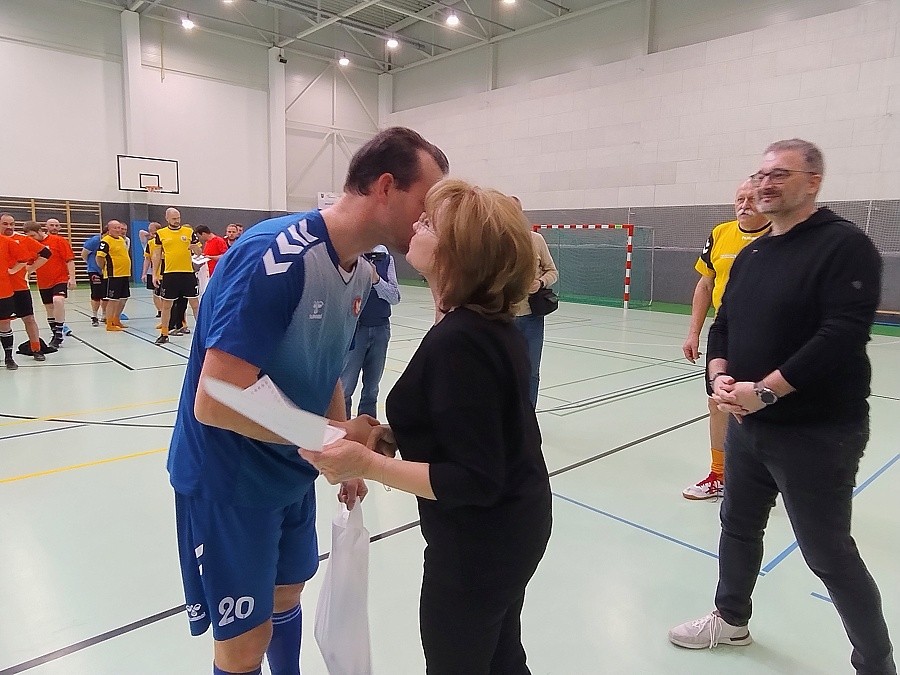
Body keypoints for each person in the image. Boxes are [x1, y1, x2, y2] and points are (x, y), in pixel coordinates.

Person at [166, 127, 448, 675]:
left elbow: (327, 371)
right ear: (386, 187)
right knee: (244, 644)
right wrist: (332, 437)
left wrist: (343, 456)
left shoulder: (360, 273)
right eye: (425, 200)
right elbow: (216, 398)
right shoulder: (275, 254)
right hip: (231, 479)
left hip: (290, 470)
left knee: (288, 594)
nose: (428, 218)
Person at [302, 180, 552, 675]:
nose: (416, 225)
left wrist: (366, 464)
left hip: (479, 544)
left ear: (458, 253)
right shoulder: (477, 326)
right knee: (501, 658)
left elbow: (475, 478)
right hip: (510, 529)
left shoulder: (463, 340)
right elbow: (469, 425)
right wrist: (389, 437)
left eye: (429, 223)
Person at [668, 139, 896, 675]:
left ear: (813, 182)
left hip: (818, 432)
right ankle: (731, 618)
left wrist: (767, 390)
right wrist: (719, 375)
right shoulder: (752, 254)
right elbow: (725, 322)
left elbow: (841, 333)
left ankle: (876, 662)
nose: (764, 184)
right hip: (749, 426)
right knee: (737, 525)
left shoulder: (844, 246)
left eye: (780, 174)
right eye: (760, 174)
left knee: (827, 552)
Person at [680, 181, 770, 500]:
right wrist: (694, 332)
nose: (744, 204)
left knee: (761, 402)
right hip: (725, 332)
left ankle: (765, 476)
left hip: (767, 334)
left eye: (751, 198)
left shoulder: (779, 236)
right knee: (719, 402)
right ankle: (719, 474)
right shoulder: (720, 233)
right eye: (739, 198)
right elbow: (706, 284)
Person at [340, 244, 400, 418]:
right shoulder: (350, 258)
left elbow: (395, 297)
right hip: (355, 331)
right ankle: (343, 429)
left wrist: (376, 279)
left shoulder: (385, 259)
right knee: (346, 387)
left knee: (371, 390)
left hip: (381, 329)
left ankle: (368, 428)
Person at [510, 196, 558, 408]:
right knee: (505, 369)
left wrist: (540, 282)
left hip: (531, 318)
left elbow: (553, 271)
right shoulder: (495, 243)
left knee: (531, 371)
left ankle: (528, 415)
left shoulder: (536, 240)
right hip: (504, 317)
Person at [1, 213, 49, 359]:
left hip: (20, 288)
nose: (9, 227)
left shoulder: (23, 239)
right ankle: (7, 355)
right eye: (5, 224)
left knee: (29, 318)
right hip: (2, 289)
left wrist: (30, 269)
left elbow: (46, 253)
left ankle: (36, 349)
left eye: (12, 224)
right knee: (4, 323)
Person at [22, 221, 76, 348]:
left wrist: (72, 278)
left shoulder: (58, 241)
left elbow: (69, 260)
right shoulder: (32, 245)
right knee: (49, 309)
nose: (31, 239)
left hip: (59, 278)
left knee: (58, 300)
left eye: (33, 236)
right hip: (43, 281)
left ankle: (59, 334)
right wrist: (25, 276)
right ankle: (55, 333)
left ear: (40, 231)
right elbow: (29, 264)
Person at [152, 208, 201, 344]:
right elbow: (156, 255)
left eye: (178, 218)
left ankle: (201, 332)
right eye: (174, 218)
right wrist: (155, 274)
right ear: (167, 218)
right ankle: (164, 333)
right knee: (167, 305)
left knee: (195, 304)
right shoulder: (161, 234)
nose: (177, 221)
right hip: (170, 274)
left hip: (188, 273)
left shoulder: (189, 232)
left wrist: (195, 248)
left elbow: (199, 252)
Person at [94, 220, 131, 331]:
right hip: (113, 275)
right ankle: (109, 323)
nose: (118, 230)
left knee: (123, 298)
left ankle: (116, 319)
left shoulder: (121, 240)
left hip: (124, 274)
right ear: (109, 229)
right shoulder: (105, 241)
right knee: (113, 299)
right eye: (115, 228)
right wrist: (102, 267)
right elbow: (99, 257)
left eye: (119, 228)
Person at [81, 223, 111, 326]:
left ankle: (104, 314)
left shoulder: (112, 241)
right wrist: (91, 264)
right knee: (96, 294)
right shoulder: (95, 241)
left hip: (107, 271)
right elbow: (84, 254)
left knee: (106, 294)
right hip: (94, 271)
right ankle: (94, 316)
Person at [140, 222, 163, 321]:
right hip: (153, 271)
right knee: (155, 293)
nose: (150, 232)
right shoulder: (150, 242)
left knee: (165, 295)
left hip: (164, 271)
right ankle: (160, 311)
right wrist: (144, 273)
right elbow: (147, 259)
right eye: (149, 230)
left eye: (152, 230)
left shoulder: (164, 241)